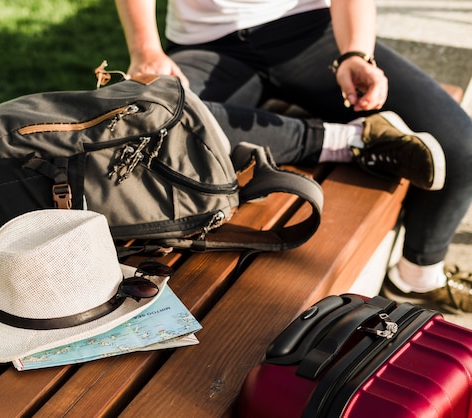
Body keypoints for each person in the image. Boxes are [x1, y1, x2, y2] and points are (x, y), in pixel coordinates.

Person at [115, 0, 472, 314]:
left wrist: (355, 55)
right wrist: (146, 49)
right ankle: (347, 141)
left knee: (462, 146)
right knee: (145, 121)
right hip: (206, 45)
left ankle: (418, 276)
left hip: (311, 33)